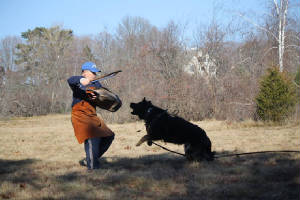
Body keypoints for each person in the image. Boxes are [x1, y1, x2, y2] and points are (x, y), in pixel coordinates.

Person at [67, 61, 115, 170]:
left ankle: (91, 159)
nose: (95, 75)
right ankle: (93, 168)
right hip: (80, 114)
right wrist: (82, 80)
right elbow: (70, 80)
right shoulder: (77, 81)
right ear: (85, 72)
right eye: (93, 72)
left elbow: (102, 95)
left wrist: (99, 97)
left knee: (109, 136)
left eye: (95, 73)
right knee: (92, 137)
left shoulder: (97, 84)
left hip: (92, 115)